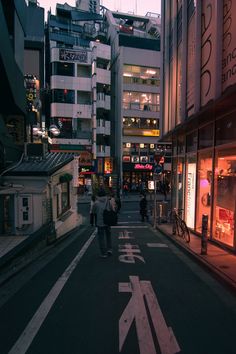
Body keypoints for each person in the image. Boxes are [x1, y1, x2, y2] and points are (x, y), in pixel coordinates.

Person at [92, 188, 116, 258]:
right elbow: (112, 209)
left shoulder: (96, 203)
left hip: (100, 222)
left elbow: (93, 212)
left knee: (101, 238)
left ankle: (103, 253)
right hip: (108, 221)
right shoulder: (108, 201)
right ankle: (109, 249)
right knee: (108, 236)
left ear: (98, 195)